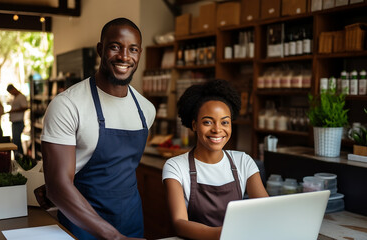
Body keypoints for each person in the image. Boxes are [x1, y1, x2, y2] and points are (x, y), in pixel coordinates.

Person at [41, 18, 156, 240]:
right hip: (81, 224)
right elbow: (56, 187)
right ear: (100, 49)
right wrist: (112, 236)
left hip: (130, 221)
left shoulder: (146, 110)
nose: (124, 56)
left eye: (132, 49)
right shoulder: (67, 105)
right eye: (115, 47)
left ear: (139, 53)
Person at [162, 79, 269, 240]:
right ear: (194, 125)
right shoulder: (176, 166)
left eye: (224, 122)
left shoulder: (243, 161)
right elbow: (179, 223)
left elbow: (265, 210)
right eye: (207, 122)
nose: (217, 129)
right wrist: (224, 234)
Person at [6, 84, 28, 154]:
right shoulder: (15, 97)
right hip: (15, 121)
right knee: (15, 140)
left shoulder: (21, 97)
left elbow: (25, 107)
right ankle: (18, 156)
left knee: (16, 141)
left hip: (18, 121)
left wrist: (13, 111)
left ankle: (20, 157)